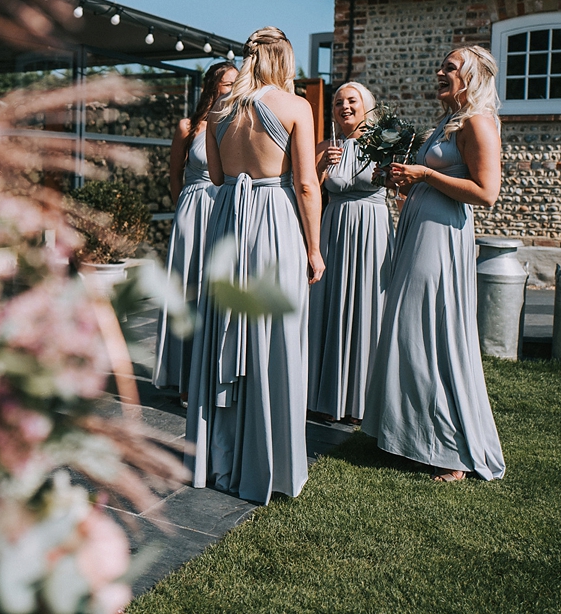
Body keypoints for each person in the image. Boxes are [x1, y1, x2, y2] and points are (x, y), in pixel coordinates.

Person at [185, 27, 324, 504]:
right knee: (273, 332)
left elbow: (219, 177)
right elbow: (306, 185)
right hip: (273, 220)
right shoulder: (294, 107)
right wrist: (314, 247)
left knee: (225, 325)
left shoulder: (220, 111)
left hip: (227, 220)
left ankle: (218, 458)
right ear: (283, 61)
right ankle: (268, 460)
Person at [362, 45, 506, 482]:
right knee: (408, 329)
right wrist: (402, 177)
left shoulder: (478, 123)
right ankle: (409, 435)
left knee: (427, 328)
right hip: (420, 226)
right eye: (441, 66)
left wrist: (425, 175)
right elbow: (433, 178)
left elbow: (486, 192)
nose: (440, 72)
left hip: (442, 235)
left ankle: (446, 450)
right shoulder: (446, 122)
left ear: (475, 76)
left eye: (451, 67)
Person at [307, 82, 392, 425]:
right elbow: (306, 189)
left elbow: (400, 185)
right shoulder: (325, 146)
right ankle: (323, 398)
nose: (344, 106)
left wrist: (386, 170)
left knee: (366, 306)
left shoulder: (384, 143)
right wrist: (319, 167)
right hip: (334, 229)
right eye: (339, 102)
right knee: (329, 307)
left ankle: (361, 401)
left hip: (372, 231)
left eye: (352, 100)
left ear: (366, 105)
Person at [153, 61, 238, 397]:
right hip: (192, 208)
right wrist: (182, 208)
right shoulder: (188, 126)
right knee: (187, 288)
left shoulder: (235, 123)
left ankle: (211, 376)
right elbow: (174, 174)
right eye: (228, 83)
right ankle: (183, 376)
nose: (232, 88)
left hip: (224, 208)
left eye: (236, 83)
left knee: (216, 290)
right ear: (212, 86)